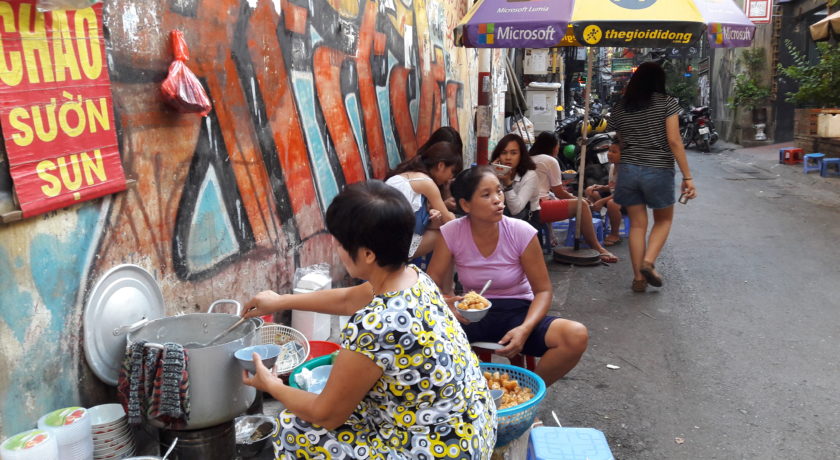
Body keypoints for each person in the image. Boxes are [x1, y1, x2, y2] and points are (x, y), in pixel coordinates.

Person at [241, 181, 496, 459]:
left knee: (293, 427)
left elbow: (326, 415)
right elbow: (349, 299)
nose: (337, 249)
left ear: (367, 254)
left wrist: (272, 385)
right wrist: (280, 300)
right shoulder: (415, 278)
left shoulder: (374, 325)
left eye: (340, 243)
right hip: (473, 427)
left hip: (440, 450)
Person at [427, 166, 589, 387]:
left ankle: (525, 393)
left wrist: (525, 329)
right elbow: (430, 284)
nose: (497, 200)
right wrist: (447, 303)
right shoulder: (452, 232)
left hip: (518, 313)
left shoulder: (521, 231)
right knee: (418, 338)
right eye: (486, 195)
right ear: (466, 205)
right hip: (471, 316)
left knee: (575, 335)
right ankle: (462, 396)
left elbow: (543, 291)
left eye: (499, 191)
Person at [607, 61, 697, 292]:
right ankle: (648, 262)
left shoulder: (621, 106)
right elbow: (674, 140)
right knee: (663, 220)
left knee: (637, 225)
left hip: (628, 168)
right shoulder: (667, 103)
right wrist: (687, 176)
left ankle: (638, 279)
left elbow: (620, 138)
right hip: (658, 167)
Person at [527, 132, 619, 263]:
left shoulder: (529, 158)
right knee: (581, 205)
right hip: (537, 208)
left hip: (530, 206)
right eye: (558, 145)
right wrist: (577, 199)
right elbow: (559, 192)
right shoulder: (550, 161)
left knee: (580, 202)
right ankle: (598, 248)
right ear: (553, 146)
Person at [385, 141, 463, 258]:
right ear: (441, 166)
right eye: (452, 172)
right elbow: (449, 221)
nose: (451, 178)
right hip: (392, 246)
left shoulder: (409, 174)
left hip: (383, 239)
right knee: (445, 236)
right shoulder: (427, 183)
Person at [490, 133, 541, 229]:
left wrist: (508, 184)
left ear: (521, 155)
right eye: (503, 153)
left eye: (513, 153)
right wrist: (491, 173)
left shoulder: (530, 175)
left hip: (527, 223)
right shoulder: (496, 173)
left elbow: (516, 210)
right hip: (501, 221)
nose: (508, 157)